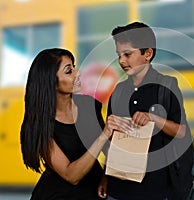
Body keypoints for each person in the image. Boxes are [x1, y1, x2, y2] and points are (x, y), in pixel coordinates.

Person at [20, 48, 132, 200]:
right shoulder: (39, 124)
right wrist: (104, 134)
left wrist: (107, 176)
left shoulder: (89, 105)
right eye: (68, 71)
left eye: (74, 67)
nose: (78, 73)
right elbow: (71, 175)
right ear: (51, 82)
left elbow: (110, 152)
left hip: (95, 192)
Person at [104, 22, 194, 200]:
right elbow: (110, 141)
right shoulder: (119, 90)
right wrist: (104, 177)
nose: (121, 61)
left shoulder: (167, 86)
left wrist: (153, 118)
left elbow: (182, 131)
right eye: (119, 55)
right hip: (118, 190)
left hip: (156, 191)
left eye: (128, 54)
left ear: (148, 54)